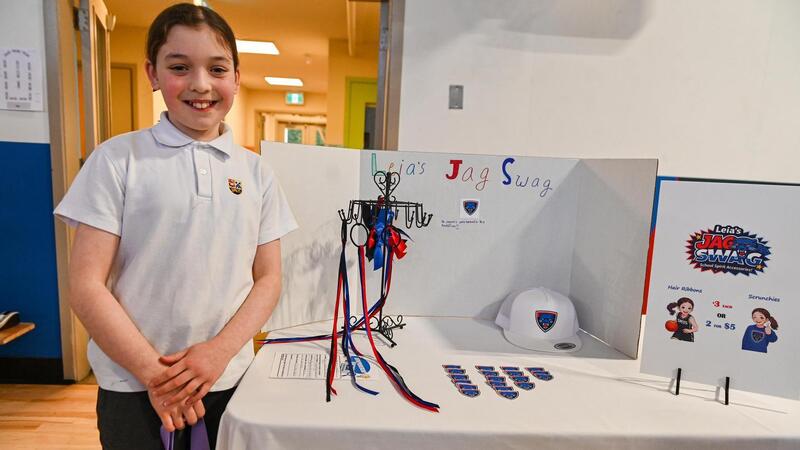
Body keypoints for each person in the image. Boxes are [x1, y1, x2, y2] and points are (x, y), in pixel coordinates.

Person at [54, 4, 297, 449]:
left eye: (217, 68)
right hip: (132, 383)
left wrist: (218, 352)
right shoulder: (117, 160)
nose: (201, 84)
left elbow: (269, 278)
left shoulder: (258, 173)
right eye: (180, 67)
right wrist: (155, 374)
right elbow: (85, 285)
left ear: (237, 78)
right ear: (153, 73)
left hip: (228, 379)